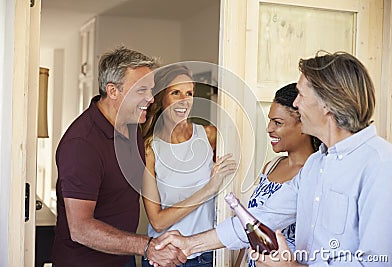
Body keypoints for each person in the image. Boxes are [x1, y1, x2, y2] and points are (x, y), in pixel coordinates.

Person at [153, 51, 392, 266]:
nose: (296, 104)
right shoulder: (316, 165)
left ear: (327, 103)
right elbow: (261, 218)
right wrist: (190, 244)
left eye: (300, 95)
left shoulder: (380, 164)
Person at [52, 47, 187, 267]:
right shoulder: (81, 145)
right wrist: (146, 246)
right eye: (141, 90)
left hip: (123, 258)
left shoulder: (132, 124)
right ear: (113, 91)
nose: (151, 98)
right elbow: (80, 229)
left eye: (151, 89)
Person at [141, 64, 237, 267]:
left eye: (189, 93)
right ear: (161, 98)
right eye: (176, 93)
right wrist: (209, 188)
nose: (184, 100)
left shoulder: (210, 136)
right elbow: (158, 222)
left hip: (204, 257)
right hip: (164, 257)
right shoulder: (150, 149)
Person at [234, 82, 320, 267]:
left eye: (278, 123)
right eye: (270, 120)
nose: (269, 128)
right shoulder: (271, 167)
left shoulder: (315, 175)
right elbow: (251, 227)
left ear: (303, 124)